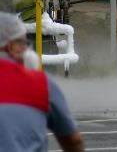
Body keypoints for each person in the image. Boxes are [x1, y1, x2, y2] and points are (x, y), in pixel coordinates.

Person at [0, 12, 84, 152]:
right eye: (23, 43)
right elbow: (73, 141)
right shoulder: (41, 84)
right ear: (11, 47)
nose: (26, 49)